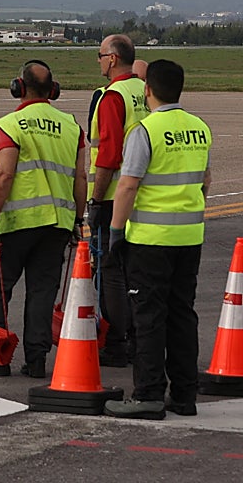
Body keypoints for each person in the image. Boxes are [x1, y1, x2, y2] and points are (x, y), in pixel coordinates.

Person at [0, 60, 88, 378]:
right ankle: (37, 361)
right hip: (57, 223)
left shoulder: (10, 126)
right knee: (42, 291)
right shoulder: (72, 127)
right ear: (53, 91)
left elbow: (4, 175)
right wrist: (76, 220)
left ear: (18, 86)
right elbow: (81, 179)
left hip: (16, 223)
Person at [104, 60, 210, 420]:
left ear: (147, 89)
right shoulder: (199, 128)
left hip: (150, 241)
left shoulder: (145, 131)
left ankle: (148, 393)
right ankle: (184, 394)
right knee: (182, 314)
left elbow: (129, 183)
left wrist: (116, 231)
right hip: (189, 236)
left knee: (148, 316)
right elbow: (205, 181)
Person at [88, 34, 148, 367]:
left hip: (114, 195)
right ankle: (139, 338)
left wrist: (96, 202)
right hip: (144, 194)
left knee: (110, 270)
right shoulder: (144, 90)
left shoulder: (113, 96)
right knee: (135, 270)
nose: (97, 61)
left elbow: (108, 156)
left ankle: (116, 341)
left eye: (99, 55)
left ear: (112, 59)